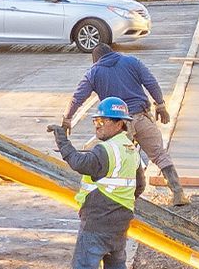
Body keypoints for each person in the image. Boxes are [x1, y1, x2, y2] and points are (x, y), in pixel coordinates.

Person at [49, 96, 146, 269]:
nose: (98, 125)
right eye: (96, 120)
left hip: (97, 223)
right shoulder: (130, 150)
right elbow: (139, 186)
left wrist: (62, 139)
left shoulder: (106, 150)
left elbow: (79, 163)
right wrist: (119, 200)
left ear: (119, 124)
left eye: (103, 121)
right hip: (119, 224)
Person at [63, 45, 188, 205]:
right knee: (159, 154)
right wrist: (160, 105)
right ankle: (178, 193)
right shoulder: (132, 62)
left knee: (123, 158)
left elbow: (77, 98)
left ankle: (129, 195)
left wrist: (67, 119)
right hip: (141, 116)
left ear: (95, 59)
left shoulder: (94, 72)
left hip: (118, 125)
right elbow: (151, 82)